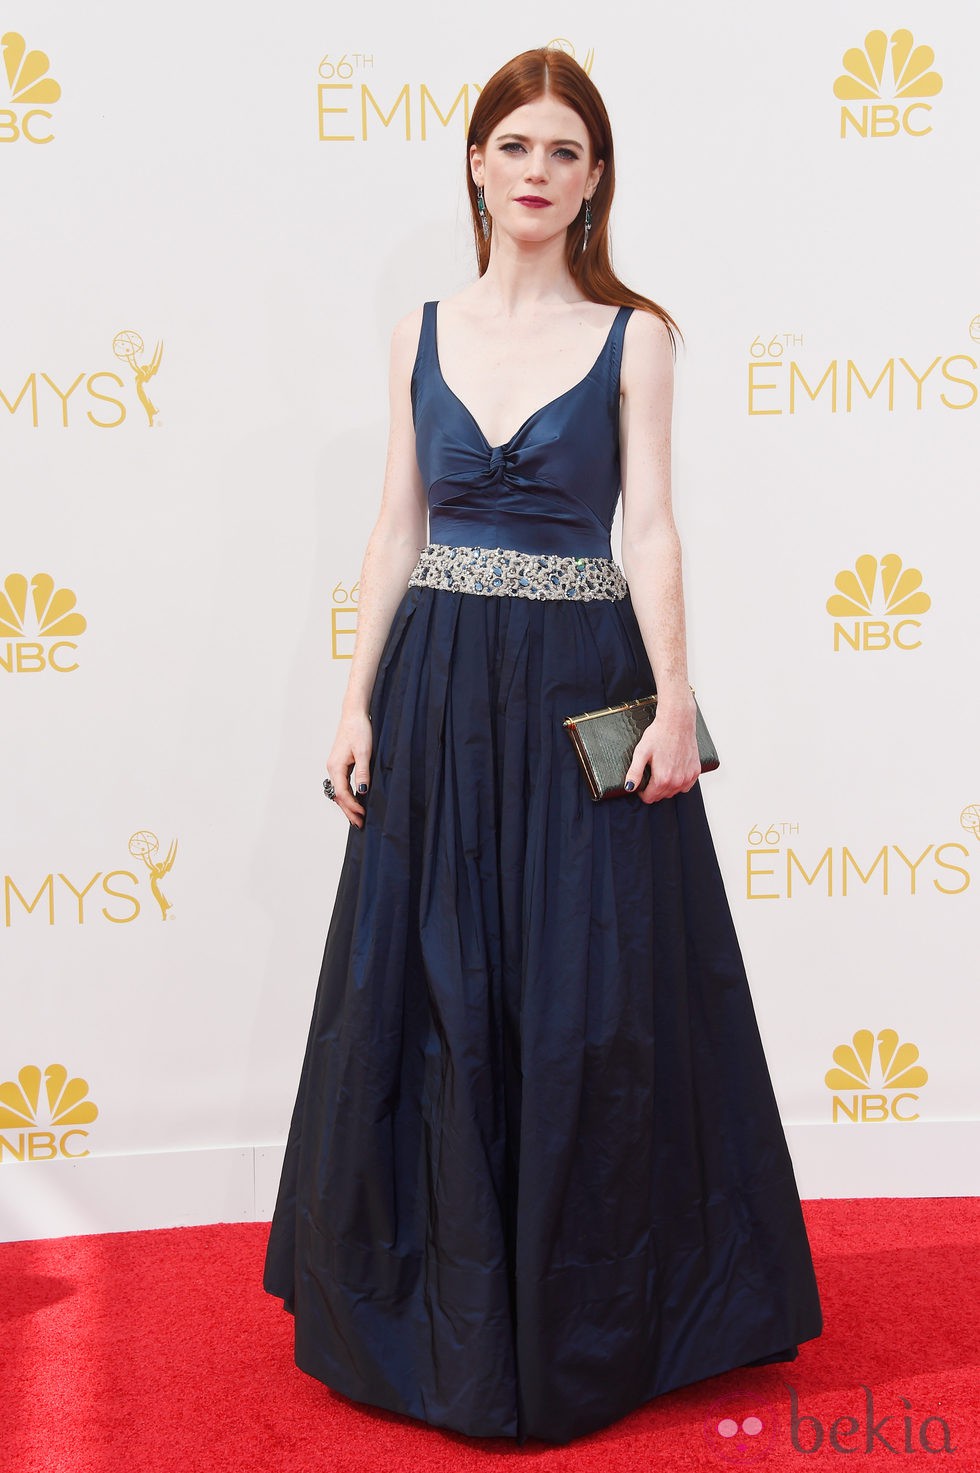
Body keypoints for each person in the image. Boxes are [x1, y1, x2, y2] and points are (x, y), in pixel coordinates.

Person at [263, 46, 823, 1446]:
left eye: (564, 151)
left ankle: (600, 1317)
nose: (535, 170)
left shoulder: (636, 335)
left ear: (594, 179)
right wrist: (355, 699)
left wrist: (678, 692)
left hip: (588, 681)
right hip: (441, 682)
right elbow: (396, 530)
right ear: (474, 163)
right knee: (433, 985)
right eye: (514, 144)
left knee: (597, 993)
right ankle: (425, 1310)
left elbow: (653, 526)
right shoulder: (420, 332)